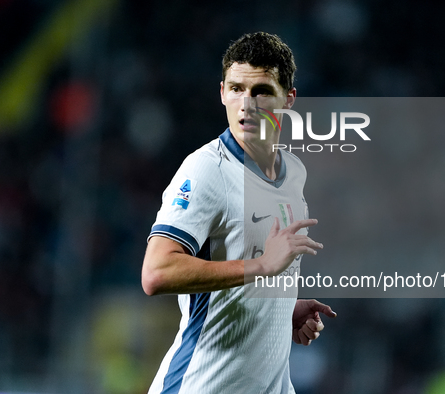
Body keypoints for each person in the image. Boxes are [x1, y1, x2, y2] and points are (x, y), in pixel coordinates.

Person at [142, 32, 336, 394]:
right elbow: (156, 272)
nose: (246, 104)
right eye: (236, 89)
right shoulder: (206, 170)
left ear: (288, 99)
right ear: (221, 93)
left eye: (261, 91)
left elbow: (258, 265)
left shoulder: (294, 172)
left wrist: (280, 311)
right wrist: (262, 267)